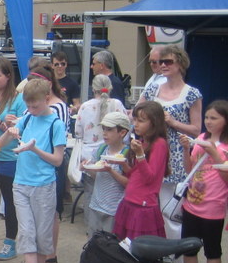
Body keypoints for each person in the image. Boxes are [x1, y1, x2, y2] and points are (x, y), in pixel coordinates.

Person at [1, 79, 66, 263]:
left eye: (35, 105)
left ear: (47, 99)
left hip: (44, 185)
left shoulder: (55, 124)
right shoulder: (27, 117)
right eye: (28, 105)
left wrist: (34, 148)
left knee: (41, 235)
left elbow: (57, 160)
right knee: (28, 233)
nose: (31, 110)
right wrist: (9, 131)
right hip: (21, 184)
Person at [138, 44, 203, 238]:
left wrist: (173, 122)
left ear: (180, 64)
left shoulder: (192, 94)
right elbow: (137, 114)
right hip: (152, 153)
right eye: (160, 62)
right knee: (150, 209)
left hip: (175, 158)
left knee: (171, 213)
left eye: (168, 61)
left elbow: (196, 129)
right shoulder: (153, 90)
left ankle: (176, 262)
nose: (163, 65)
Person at [179, 100, 228, 263]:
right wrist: (186, 148)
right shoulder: (200, 138)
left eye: (214, 118)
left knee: (212, 251)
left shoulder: (225, 146)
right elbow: (189, 167)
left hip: (213, 206)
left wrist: (214, 152)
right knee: (189, 249)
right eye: (207, 117)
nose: (208, 122)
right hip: (192, 202)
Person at [25, 64, 68, 263]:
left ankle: (50, 257)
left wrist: (34, 148)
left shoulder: (57, 109)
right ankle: (34, 257)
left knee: (51, 213)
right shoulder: (31, 110)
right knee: (33, 217)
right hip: (29, 171)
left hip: (49, 168)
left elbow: (55, 146)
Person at [0, 57, 27, 262]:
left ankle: (10, 242)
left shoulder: (17, 100)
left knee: (10, 202)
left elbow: (19, 132)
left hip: (10, 158)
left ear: (8, 76)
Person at [74, 74, 128, 229]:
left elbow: (78, 133)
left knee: (92, 193)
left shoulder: (85, 106)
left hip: (91, 156)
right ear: (110, 88)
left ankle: (92, 227)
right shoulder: (117, 103)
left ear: (93, 89)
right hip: (115, 154)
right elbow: (127, 126)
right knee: (114, 193)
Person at [112, 101, 169, 240]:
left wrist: (139, 154)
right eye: (135, 119)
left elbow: (150, 177)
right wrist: (123, 165)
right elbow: (136, 175)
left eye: (141, 121)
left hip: (143, 206)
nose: (136, 124)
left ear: (154, 123)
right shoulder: (144, 142)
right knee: (123, 246)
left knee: (138, 249)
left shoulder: (159, 144)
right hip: (130, 201)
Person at [80, 112, 130, 234]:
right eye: (103, 129)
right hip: (96, 205)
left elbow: (129, 184)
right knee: (93, 243)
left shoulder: (127, 154)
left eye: (109, 129)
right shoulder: (101, 150)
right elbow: (97, 176)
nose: (104, 133)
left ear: (122, 133)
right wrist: (86, 168)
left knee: (110, 245)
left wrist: (111, 171)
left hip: (114, 209)